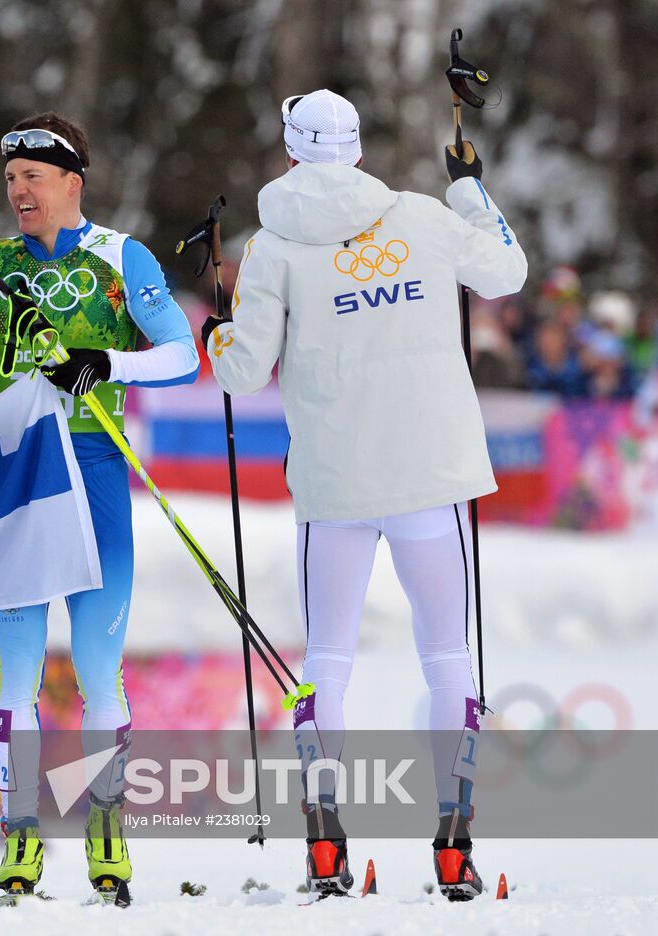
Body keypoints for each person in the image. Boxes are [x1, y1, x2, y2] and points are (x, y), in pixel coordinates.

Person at [202, 89, 527, 900]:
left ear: (290, 151)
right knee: (448, 654)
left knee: (327, 664)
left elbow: (241, 373)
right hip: (432, 476)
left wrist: (217, 329)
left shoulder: (272, 245)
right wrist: (470, 190)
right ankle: (455, 846)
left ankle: (325, 849)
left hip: (337, 485)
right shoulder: (418, 214)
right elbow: (507, 271)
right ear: (353, 148)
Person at [0, 112, 199, 902]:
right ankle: (21, 839)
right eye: (10, 178)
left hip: (92, 469)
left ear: (71, 183)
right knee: (16, 668)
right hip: (16, 475)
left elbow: (182, 356)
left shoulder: (122, 257)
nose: (18, 190)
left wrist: (106, 360)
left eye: (33, 177)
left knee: (95, 668)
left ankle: (106, 831)